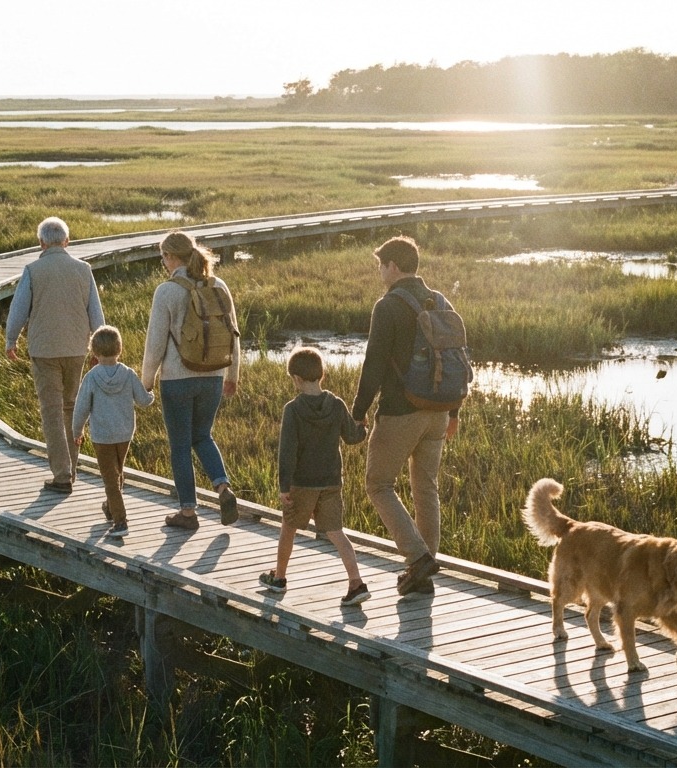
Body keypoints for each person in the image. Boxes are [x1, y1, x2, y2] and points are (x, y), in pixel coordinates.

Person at [351, 235, 460, 596]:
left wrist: (359, 412)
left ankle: (417, 558)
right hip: (439, 411)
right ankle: (422, 572)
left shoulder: (388, 306)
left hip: (402, 411)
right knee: (425, 487)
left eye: (381, 265)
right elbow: (453, 359)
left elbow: (374, 365)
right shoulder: (440, 300)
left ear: (393, 266)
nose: (380, 272)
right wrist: (454, 411)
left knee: (378, 484)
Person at [141, 230, 240, 530]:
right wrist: (232, 375)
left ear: (171, 257)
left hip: (177, 379)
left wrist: (145, 382)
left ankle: (187, 513)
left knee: (180, 445)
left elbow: (155, 343)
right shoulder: (218, 284)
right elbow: (234, 335)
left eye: (163, 258)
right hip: (213, 376)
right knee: (203, 435)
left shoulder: (167, 291)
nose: (163, 263)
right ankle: (223, 488)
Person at [259, 348, 370, 606]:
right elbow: (352, 437)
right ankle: (356, 582)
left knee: (288, 528)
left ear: (296, 379)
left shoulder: (293, 410)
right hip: (331, 482)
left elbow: (287, 453)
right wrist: (363, 428)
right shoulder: (336, 404)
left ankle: (279, 578)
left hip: (302, 483)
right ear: (322, 375)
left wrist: (284, 486)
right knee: (336, 532)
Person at [5, 216, 105, 493]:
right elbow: (95, 312)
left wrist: (11, 340)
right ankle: (72, 469)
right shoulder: (84, 269)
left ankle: (62, 476)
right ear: (67, 241)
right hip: (77, 350)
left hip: (44, 350)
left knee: (51, 412)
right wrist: (100, 347)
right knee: (71, 408)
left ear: (41, 243)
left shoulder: (33, 270)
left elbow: (18, 310)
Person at [72, 325, 154, 538]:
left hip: (102, 436)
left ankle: (121, 522)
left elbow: (81, 408)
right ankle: (110, 507)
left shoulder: (91, 377)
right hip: (124, 434)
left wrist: (76, 430)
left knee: (110, 478)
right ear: (119, 349)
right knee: (116, 472)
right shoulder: (128, 374)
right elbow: (143, 401)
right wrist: (151, 393)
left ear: (94, 352)